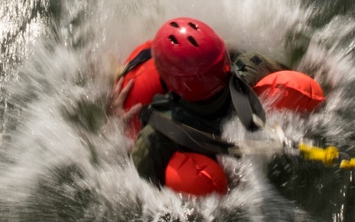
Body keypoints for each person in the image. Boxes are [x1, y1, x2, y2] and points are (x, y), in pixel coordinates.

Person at [112, 17, 325, 196]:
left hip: (207, 173)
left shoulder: (157, 135)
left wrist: (115, 124)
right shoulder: (252, 64)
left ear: (169, 85)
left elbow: (134, 177)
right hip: (151, 70)